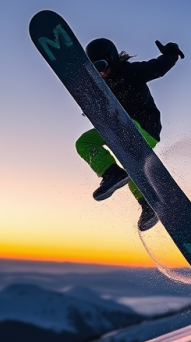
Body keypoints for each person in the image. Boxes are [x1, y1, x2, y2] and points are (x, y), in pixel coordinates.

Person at [75, 36, 184, 232]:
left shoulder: (130, 71)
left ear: (112, 59)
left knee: (128, 145)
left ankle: (146, 198)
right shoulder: (102, 86)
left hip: (144, 128)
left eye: (102, 66)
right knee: (85, 142)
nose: (101, 72)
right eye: (96, 69)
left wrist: (171, 54)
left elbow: (157, 68)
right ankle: (116, 176)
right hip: (118, 128)